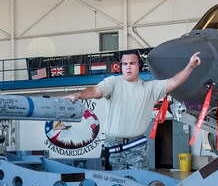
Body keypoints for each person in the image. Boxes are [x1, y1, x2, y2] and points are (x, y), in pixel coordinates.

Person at [65, 49, 200, 169]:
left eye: (132, 63)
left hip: (137, 147)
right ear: (121, 67)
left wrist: (190, 66)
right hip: (112, 147)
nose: (128, 67)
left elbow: (174, 81)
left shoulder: (150, 88)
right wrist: (79, 94)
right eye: (125, 64)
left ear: (139, 66)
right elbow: (95, 91)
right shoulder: (113, 83)